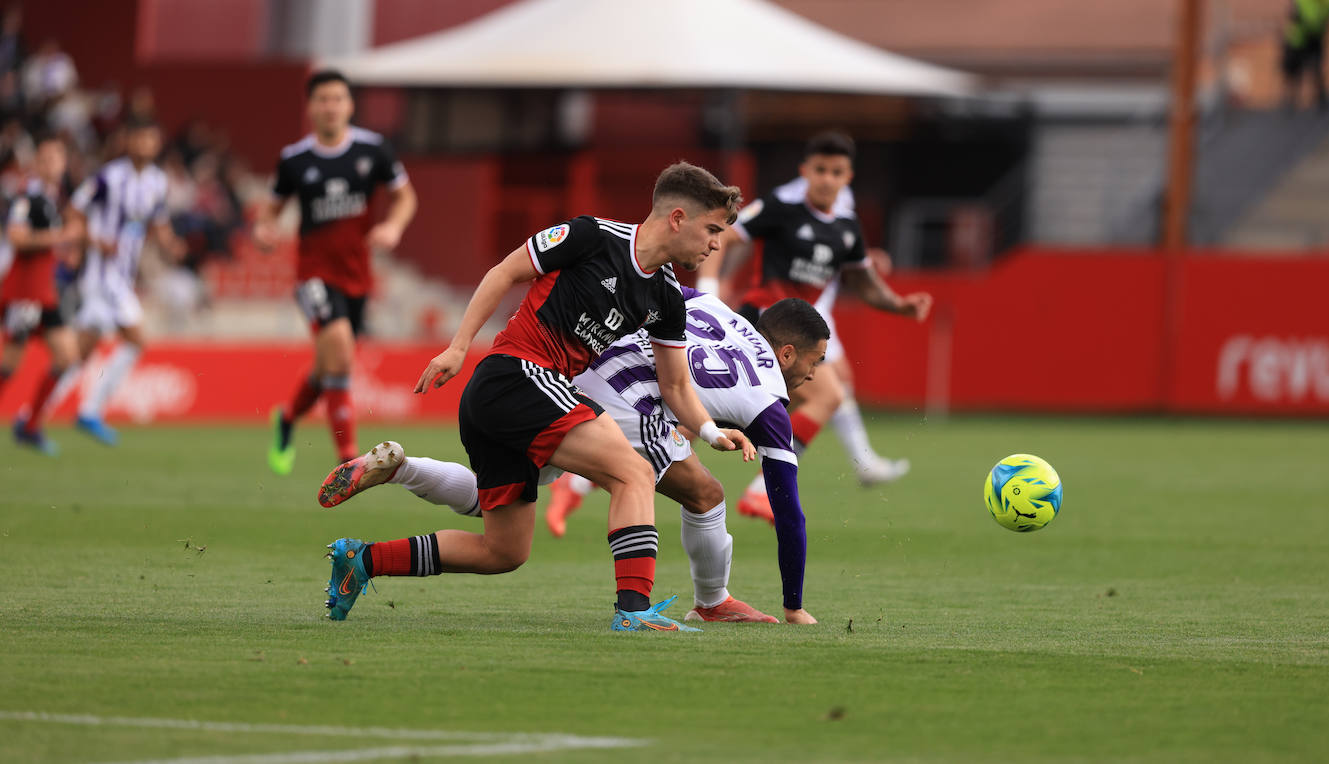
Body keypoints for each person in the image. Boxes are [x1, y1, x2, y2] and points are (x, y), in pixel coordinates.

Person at [317, 162, 753, 633]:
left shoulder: (667, 296)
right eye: (712, 229)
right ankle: (633, 611)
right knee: (634, 472)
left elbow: (675, 386)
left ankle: (362, 560)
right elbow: (505, 271)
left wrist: (709, 430)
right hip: (517, 375)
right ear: (677, 217)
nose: (716, 243)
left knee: (503, 552)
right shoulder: (592, 236)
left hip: (515, 398)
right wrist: (459, 346)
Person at [321, 293, 827, 625]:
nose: (815, 373)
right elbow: (789, 511)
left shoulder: (716, 307)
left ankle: (391, 493)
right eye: (814, 360)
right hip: (625, 402)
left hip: (567, 376)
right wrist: (795, 605)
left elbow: (656, 308)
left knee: (501, 527)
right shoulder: (769, 402)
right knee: (695, 490)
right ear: (785, 353)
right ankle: (691, 605)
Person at [697, 130, 932, 523]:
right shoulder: (781, 207)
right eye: (820, 169)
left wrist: (899, 305)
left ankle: (587, 479)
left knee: (705, 406)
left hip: (800, 332)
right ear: (805, 171)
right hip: (765, 319)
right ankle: (762, 492)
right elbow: (726, 234)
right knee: (827, 396)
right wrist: (708, 293)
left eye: (835, 171)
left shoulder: (847, 227)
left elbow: (862, 282)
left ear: (847, 177)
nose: (826, 178)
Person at [254, 69, 417, 475]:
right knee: (340, 351)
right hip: (313, 274)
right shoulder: (295, 159)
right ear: (310, 108)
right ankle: (349, 462)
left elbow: (405, 197)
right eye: (322, 100)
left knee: (330, 364)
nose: (330, 107)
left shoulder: (374, 149)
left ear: (349, 105)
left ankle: (287, 418)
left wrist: (394, 226)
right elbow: (270, 211)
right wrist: (264, 230)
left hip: (357, 275)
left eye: (337, 99)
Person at [55, 115, 184, 444]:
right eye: (139, 138)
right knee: (137, 340)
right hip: (101, 274)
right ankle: (89, 411)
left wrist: (170, 243)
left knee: (81, 351)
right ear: (128, 141)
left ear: (157, 143)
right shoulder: (109, 177)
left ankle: (35, 414)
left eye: (150, 139)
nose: (145, 145)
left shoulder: (157, 181)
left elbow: (158, 221)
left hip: (123, 275)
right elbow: (74, 211)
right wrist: (96, 241)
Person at [0, 133, 79, 454]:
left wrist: (64, 248)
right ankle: (30, 426)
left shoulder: (51, 198)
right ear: (37, 163)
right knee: (9, 365)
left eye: (56, 159)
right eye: (45, 159)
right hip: (23, 291)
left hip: (44, 292)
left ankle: (31, 426)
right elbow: (17, 237)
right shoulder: (27, 198)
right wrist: (59, 237)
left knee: (67, 357)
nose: (51, 165)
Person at [1281, 0, 1329, 111]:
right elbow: (1295, 12)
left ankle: (1321, 99)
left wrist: (1324, 26)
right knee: (1294, 70)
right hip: (1299, 38)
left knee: (1317, 69)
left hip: (1315, 37)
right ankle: (1292, 99)